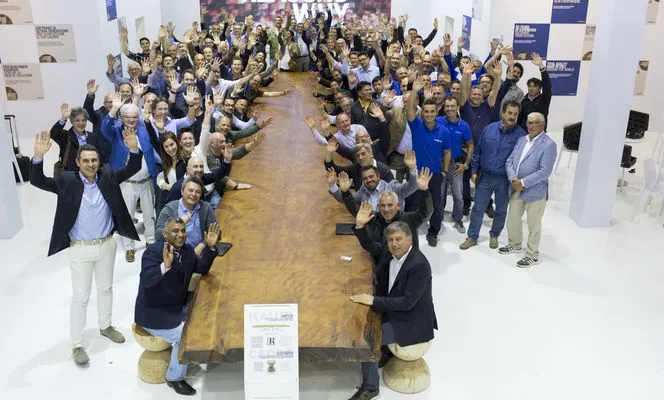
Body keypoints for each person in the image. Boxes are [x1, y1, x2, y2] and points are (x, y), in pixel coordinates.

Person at [30, 129, 142, 366]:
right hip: (80, 248)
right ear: (78, 162)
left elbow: (132, 168)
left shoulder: (108, 175)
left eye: (94, 160)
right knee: (81, 297)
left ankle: (106, 326)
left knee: (105, 288)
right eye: (86, 161)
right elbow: (39, 181)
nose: (91, 164)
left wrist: (133, 149)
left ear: (99, 162)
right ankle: (77, 344)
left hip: (107, 244)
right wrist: (38, 157)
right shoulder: (67, 180)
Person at [349, 221, 437, 400]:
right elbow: (369, 245)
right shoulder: (390, 254)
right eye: (390, 240)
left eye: (398, 239)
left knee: (368, 338)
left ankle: (371, 388)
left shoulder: (419, 265)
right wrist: (360, 226)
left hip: (411, 321)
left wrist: (373, 300)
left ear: (410, 239)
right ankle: (384, 352)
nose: (394, 244)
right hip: (394, 310)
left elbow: (407, 303)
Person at [135, 218, 220, 395]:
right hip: (154, 314)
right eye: (175, 231)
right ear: (165, 234)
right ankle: (174, 377)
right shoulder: (153, 252)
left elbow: (201, 268)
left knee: (206, 310)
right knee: (184, 336)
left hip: (176, 306)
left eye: (183, 230)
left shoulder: (187, 250)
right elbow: (147, 280)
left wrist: (210, 247)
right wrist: (164, 266)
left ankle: (193, 354)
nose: (180, 234)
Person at [460, 100, 526, 250]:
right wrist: (474, 171)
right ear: (503, 113)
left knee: (501, 210)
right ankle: (472, 237)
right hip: (485, 176)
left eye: (515, 114)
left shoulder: (521, 135)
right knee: (478, 208)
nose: (512, 117)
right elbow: (478, 152)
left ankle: (494, 235)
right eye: (509, 113)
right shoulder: (489, 129)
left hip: (505, 180)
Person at [101, 94, 159, 263]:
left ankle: (151, 241)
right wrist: (114, 109)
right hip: (127, 183)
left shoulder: (144, 130)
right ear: (121, 118)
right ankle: (129, 247)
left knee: (150, 214)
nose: (132, 120)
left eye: (134, 117)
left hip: (147, 180)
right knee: (127, 215)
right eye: (128, 117)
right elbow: (104, 129)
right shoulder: (116, 132)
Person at [499, 113, 557, 267]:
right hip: (516, 187)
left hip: (535, 191)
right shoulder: (521, 140)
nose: (531, 126)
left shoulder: (549, 145)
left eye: (535, 123)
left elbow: (545, 171)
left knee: (533, 225)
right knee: (513, 219)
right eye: (529, 122)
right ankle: (515, 244)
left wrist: (523, 182)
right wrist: (513, 179)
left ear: (542, 125)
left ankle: (532, 255)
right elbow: (509, 161)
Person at [406, 76, 452, 247]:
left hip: (436, 174)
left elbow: (447, 152)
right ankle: (409, 231)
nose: (429, 114)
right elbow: (410, 109)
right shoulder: (416, 125)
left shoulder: (444, 131)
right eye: (426, 111)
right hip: (416, 173)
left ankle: (433, 232)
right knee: (412, 202)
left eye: (432, 111)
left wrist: (445, 171)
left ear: (436, 112)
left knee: (437, 205)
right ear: (422, 112)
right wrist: (414, 91)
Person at [352, 167, 433, 260]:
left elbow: (425, 212)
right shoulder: (374, 220)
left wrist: (424, 191)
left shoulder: (409, 219)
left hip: (408, 264)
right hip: (383, 264)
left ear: (398, 205)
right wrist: (360, 226)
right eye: (383, 205)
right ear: (378, 207)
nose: (386, 209)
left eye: (390, 205)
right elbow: (370, 245)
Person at [437, 96, 474, 234]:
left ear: (457, 107)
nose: (449, 108)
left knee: (458, 195)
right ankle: (438, 218)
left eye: (452, 106)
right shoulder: (438, 121)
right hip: (441, 164)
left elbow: (471, 145)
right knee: (440, 194)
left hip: (456, 165)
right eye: (447, 106)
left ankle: (458, 219)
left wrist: (466, 164)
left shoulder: (464, 126)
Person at [49, 104, 105, 171]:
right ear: (72, 122)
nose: (81, 123)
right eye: (77, 120)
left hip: (89, 173)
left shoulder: (93, 137)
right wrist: (64, 118)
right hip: (70, 174)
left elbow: (99, 157)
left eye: (83, 120)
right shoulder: (65, 136)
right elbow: (53, 133)